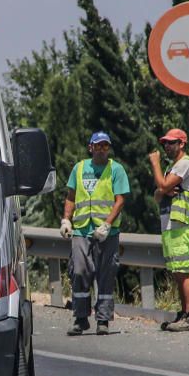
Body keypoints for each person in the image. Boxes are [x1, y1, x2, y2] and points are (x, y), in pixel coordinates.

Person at [59, 131, 129, 336]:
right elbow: (70, 196)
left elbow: (120, 200)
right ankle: (80, 318)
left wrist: (107, 224)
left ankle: (103, 320)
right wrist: (66, 219)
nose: (101, 149)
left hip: (107, 232)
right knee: (79, 272)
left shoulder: (116, 170)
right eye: (97, 146)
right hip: (82, 230)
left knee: (105, 275)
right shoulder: (79, 168)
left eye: (105, 146)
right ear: (90, 147)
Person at [148, 128, 189, 331]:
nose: (166, 147)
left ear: (182, 144)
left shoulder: (185, 164)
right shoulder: (174, 166)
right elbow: (158, 194)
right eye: (165, 143)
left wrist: (155, 164)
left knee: (184, 271)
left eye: (171, 143)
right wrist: (163, 189)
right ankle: (183, 313)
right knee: (177, 272)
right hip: (169, 225)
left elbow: (161, 184)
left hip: (180, 223)